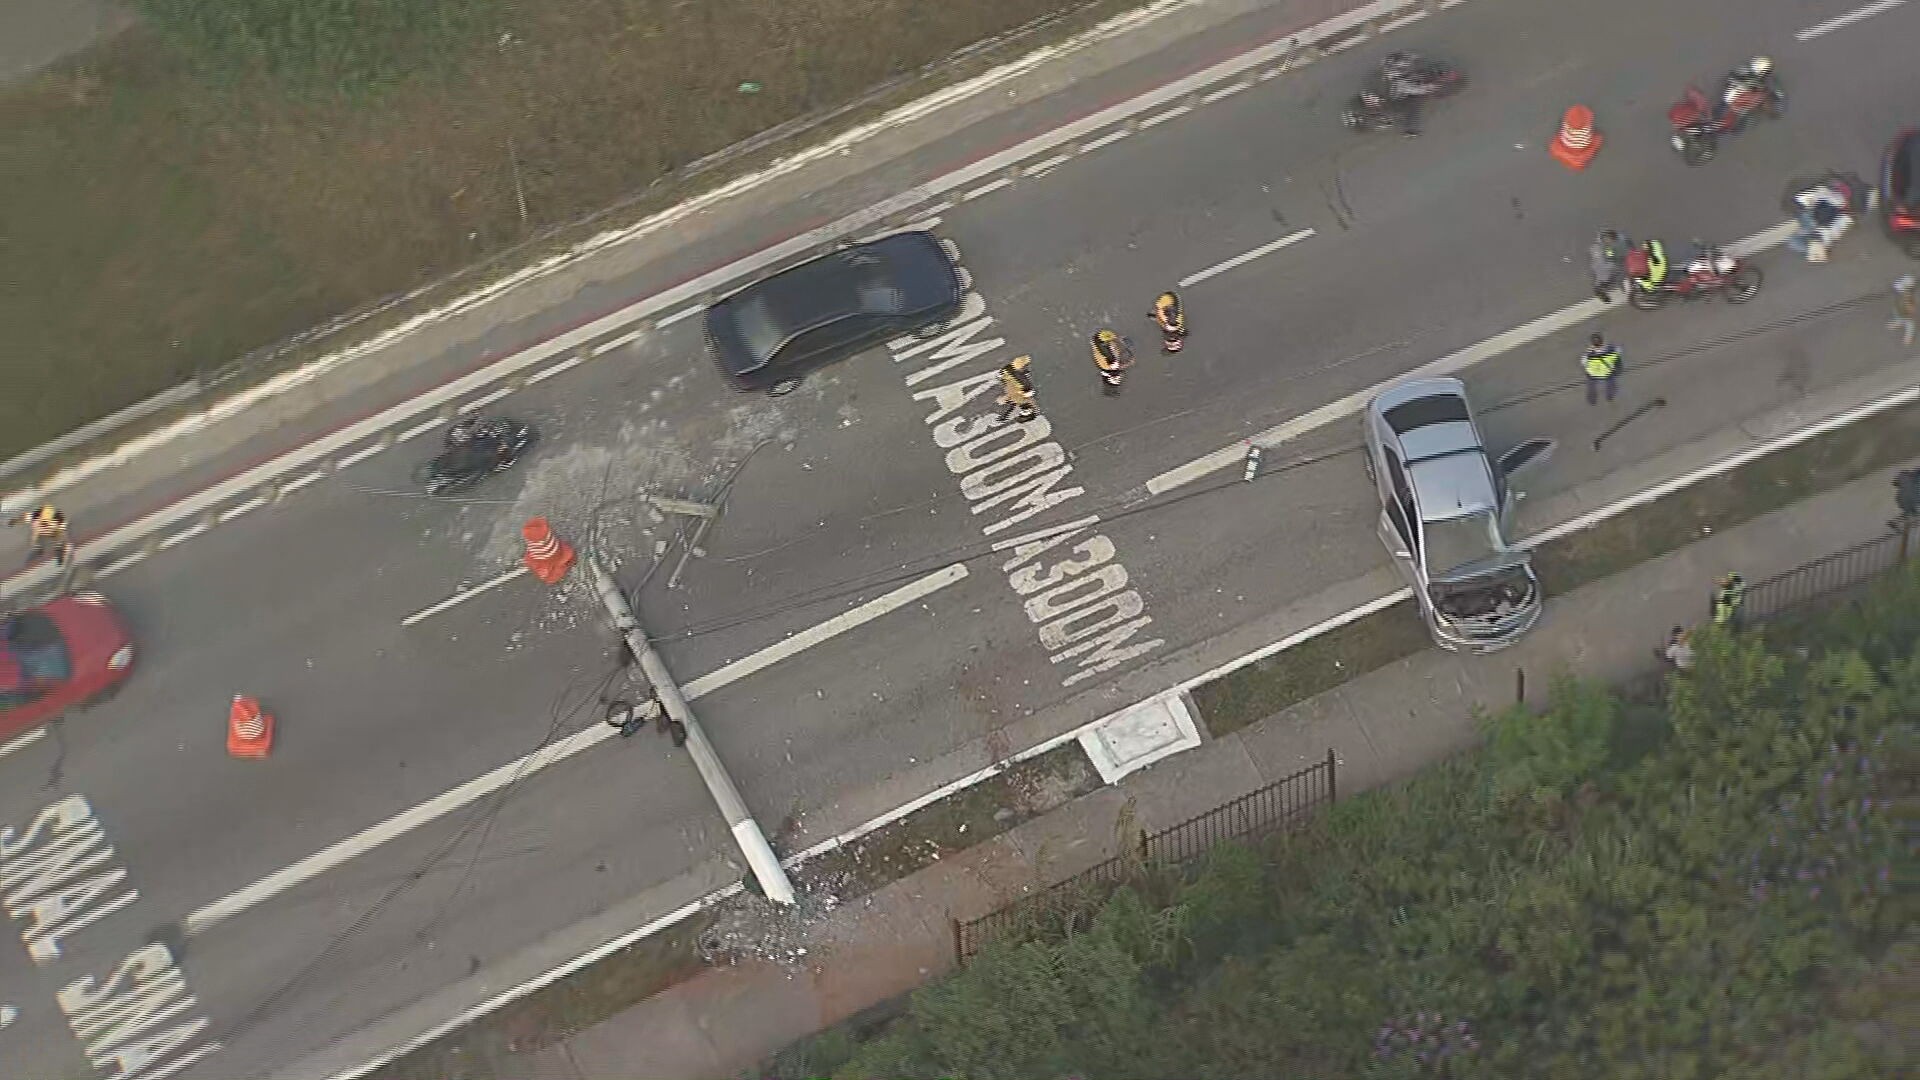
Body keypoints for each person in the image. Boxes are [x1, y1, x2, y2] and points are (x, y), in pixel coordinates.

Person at [1381, 51, 1431, 137]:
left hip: (1396, 91)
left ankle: (1388, 118)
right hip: (1399, 99)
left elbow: (1413, 57)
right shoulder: (1401, 82)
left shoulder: (1392, 63)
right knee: (1412, 110)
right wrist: (1427, 88)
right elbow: (1416, 90)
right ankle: (1409, 131)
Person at [7, 504, 72, 568]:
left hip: (56, 523)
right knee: (39, 531)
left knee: (58, 534)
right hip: (45, 518)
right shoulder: (36, 519)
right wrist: (15, 521)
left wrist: (60, 547)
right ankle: (54, 548)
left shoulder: (54, 524)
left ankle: (60, 549)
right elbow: (26, 517)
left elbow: (57, 534)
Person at [1581, 333, 1622, 406]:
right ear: (1602, 341)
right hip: (1608, 374)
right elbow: (1618, 355)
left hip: (1593, 375)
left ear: (1593, 344)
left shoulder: (1588, 354)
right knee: (1611, 387)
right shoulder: (1611, 350)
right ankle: (1610, 397)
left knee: (1591, 389)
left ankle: (1592, 401)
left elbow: (1584, 363)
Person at [995, 355, 1039, 423]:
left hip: (1014, 383)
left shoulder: (1010, 371)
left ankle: (1019, 408)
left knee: (1016, 398)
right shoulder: (1021, 381)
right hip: (1015, 384)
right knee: (1017, 398)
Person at [1589, 229, 1629, 302]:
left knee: (1611, 278)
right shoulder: (1604, 248)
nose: (1609, 240)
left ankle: (1600, 289)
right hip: (1604, 268)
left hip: (1605, 266)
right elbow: (1609, 259)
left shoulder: (1602, 246)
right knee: (1610, 278)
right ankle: (1600, 291)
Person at [1091, 329, 1132, 395]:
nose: (1119, 378)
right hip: (1103, 338)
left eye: (1116, 379)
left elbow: (1100, 344)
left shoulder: (1108, 365)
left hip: (1102, 338)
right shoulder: (1110, 366)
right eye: (1118, 380)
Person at [1892, 274, 1917, 347]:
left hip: (1906, 312)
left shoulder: (1908, 296)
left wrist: (1910, 311)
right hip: (1899, 309)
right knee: (1897, 315)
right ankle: (1898, 322)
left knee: (1909, 324)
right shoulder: (1901, 294)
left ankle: (1909, 336)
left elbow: (1911, 306)